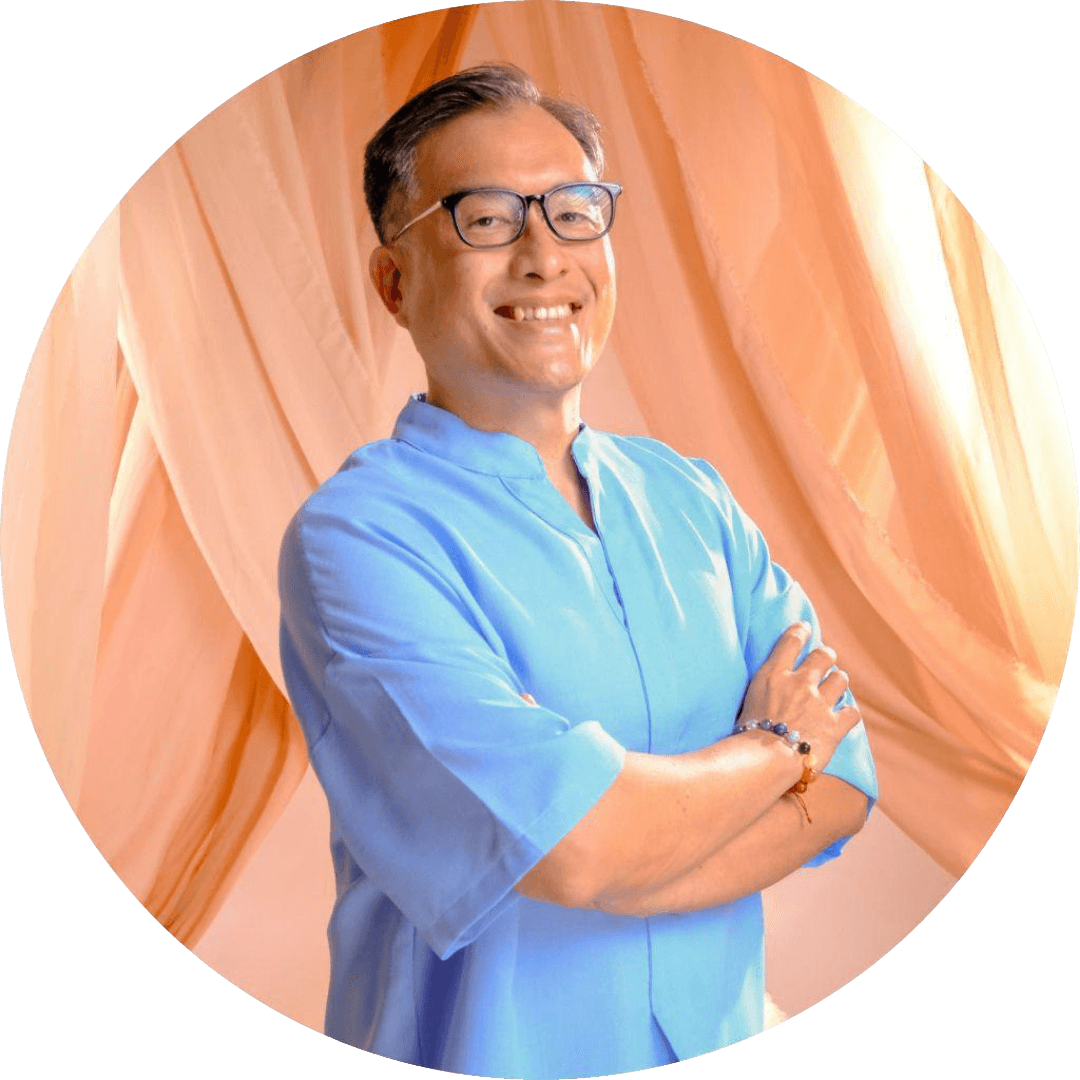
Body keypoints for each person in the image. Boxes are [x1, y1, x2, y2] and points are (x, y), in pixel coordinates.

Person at [278, 63, 877, 1079]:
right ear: (394, 283)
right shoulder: (358, 540)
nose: (544, 256)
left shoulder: (692, 498)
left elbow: (849, 783)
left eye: (575, 210)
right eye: (486, 219)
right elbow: (577, 847)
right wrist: (779, 748)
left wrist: (621, 854)